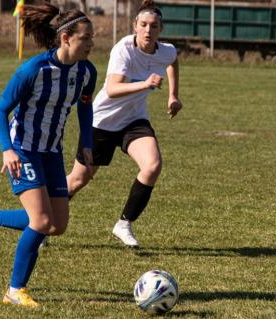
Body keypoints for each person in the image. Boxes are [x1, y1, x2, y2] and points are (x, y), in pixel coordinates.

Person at [0, 2, 96, 308]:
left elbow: (85, 107)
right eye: (86, 38)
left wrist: (88, 144)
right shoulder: (33, 70)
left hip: (51, 151)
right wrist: (7, 150)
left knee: (57, 225)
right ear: (66, 38)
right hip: (23, 150)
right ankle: (15, 291)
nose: (92, 44)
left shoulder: (86, 72)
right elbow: (1, 110)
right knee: (40, 220)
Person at [66, 0, 183, 248]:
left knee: (152, 166)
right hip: (102, 121)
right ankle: (40, 223)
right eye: (143, 25)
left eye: (154, 26)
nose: (148, 30)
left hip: (134, 120)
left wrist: (174, 95)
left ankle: (124, 223)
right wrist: (146, 83)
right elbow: (112, 88)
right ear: (135, 26)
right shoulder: (124, 50)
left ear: (160, 29)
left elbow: (172, 61)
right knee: (79, 180)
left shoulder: (166, 50)